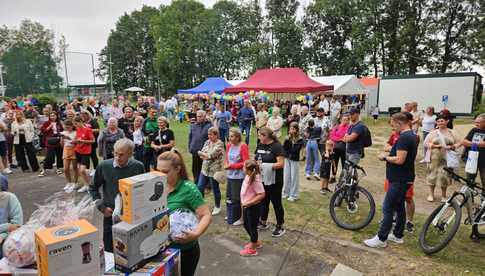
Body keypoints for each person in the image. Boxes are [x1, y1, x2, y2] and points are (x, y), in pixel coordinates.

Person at [364, 112, 417, 248]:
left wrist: (385, 157)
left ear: (399, 123)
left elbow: (400, 160)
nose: (393, 129)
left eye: (394, 127)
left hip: (400, 179)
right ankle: (398, 235)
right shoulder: (410, 136)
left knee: (388, 207)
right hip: (402, 178)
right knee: (399, 207)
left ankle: (381, 238)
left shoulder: (405, 137)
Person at [157, 151, 211, 276]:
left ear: (177, 169)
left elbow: (206, 215)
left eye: (165, 172)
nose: (160, 175)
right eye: (158, 170)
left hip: (185, 251)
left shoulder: (188, 189)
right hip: (160, 250)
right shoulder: (154, 186)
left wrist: (195, 234)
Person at [89, 138, 145, 253]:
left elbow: (143, 189)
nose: (117, 157)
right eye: (115, 153)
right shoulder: (104, 166)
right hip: (109, 214)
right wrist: (101, 206)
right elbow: (93, 187)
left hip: (132, 216)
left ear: (130, 154)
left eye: (121, 155)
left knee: (131, 248)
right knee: (109, 249)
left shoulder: (138, 166)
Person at [255, 127, 285, 237]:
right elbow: (256, 158)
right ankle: (263, 221)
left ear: (266, 136)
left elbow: (281, 164)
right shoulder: (260, 145)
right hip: (262, 178)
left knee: (276, 203)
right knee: (264, 201)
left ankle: (280, 225)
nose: (258, 137)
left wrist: (264, 166)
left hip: (275, 180)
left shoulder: (277, 146)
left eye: (260, 135)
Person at [424, 115, 461, 202]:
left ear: (447, 121)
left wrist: (452, 147)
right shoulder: (433, 133)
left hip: (447, 158)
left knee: (444, 176)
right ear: (436, 123)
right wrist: (435, 145)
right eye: (438, 121)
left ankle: (443, 196)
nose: (440, 123)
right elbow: (426, 143)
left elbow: (459, 143)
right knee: (432, 175)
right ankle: (431, 194)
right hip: (434, 157)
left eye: (442, 121)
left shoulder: (452, 132)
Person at [239, 160, 265, 257]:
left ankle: (253, 249)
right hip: (246, 206)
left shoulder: (256, 180)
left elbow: (262, 194)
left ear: (249, 170)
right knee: (246, 225)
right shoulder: (248, 176)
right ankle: (256, 242)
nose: (242, 168)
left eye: (244, 167)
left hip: (253, 207)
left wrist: (249, 202)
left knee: (252, 227)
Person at [224, 128, 249, 226]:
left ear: (238, 137)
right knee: (229, 196)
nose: (229, 138)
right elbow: (227, 158)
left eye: (232, 136)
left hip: (239, 176)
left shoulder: (243, 146)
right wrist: (226, 164)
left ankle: (241, 217)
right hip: (230, 175)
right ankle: (231, 214)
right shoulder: (229, 145)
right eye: (229, 136)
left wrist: (231, 166)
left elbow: (246, 162)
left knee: (238, 198)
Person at [197, 127, 224, 215]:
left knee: (215, 189)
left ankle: (217, 206)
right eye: (208, 134)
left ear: (216, 135)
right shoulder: (207, 142)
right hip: (204, 169)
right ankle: (201, 205)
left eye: (211, 135)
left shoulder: (220, 144)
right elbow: (202, 153)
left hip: (214, 171)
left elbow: (210, 155)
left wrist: (204, 155)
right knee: (200, 187)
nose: (209, 136)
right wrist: (204, 155)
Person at [462, 113, 485, 189]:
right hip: (472, 160)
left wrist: (471, 144)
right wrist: (476, 144)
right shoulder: (474, 130)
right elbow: (464, 141)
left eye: (478, 122)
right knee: (469, 181)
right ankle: (468, 197)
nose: (476, 124)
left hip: (483, 161)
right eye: (475, 122)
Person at [282, 122, 304, 201]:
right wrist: (287, 140)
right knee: (286, 176)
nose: (291, 130)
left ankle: (294, 195)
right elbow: (284, 148)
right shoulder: (287, 138)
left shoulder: (300, 139)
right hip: (287, 158)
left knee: (294, 177)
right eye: (291, 128)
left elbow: (295, 150)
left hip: (294, 160)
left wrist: (293, 142)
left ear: (297, 130)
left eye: (293, 129)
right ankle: (285, 192)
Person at [189, 110, 211, 185]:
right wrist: (190, 147)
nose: (198, 118)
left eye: (200, 116)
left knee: (205, 168)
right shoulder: (193, 125)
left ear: (205, 117)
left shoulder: (209, 126)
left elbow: (212, 139)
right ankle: (196, 182)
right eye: (197, 116)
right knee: (195, 168)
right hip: (195, 150)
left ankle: (206, 185)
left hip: (204, 152)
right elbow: (190, 137)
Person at [73, 117, 95, 193]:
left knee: (82, 170)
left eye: (76, 124)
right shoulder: (77, 129)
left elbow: (93, 140)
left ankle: (89, 185)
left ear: (80, 122)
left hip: (86, 152)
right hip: (78, 151)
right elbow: (77, 138)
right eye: (74, 124)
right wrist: (74, 141)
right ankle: (86, 185)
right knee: (81, 170)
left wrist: (83, 141)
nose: (75, 125)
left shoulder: (88, 130)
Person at [39, 111, 64, 176]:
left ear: (56, 116)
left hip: (58, 140)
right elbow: (43, 130)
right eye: (51, 116)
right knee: (49, 156)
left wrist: (61, 138)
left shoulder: (59, 123)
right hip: (49, 140)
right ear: (49, 117)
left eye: (54, 116)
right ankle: (44, 169)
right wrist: (49, 127)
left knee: (59, 155)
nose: (52, 117)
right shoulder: (46, 123)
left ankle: (58, 169)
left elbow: (62, 131)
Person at [0, 190, 22, 258]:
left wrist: (2, 236)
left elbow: (17, 225)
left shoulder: (10, 198)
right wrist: (8, 226)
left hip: (8, 238)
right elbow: (11, 226)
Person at [61, 119, 78, 190]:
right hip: (66, 150)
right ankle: (69, 182)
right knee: (65, 169)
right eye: (66, 127)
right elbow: (62, 145)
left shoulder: (76, 132)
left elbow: (77, 142)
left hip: (74, 150)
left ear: (72, 126)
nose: (67, 128)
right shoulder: (63, 133)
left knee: (74, 168)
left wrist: (69, 138)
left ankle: (75, 183)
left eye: (68, 127)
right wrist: (62, 139)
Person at [142, 107, 159, 172]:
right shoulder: (146, 120)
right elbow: (143, 130)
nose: (154, 114)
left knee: (156, 161)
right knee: (146, 161)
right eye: (152, 112)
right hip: (147, 144)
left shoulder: (158, 120)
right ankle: (146, 173)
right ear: (149, 112)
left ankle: (157, 174)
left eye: (155, 112)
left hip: (156, 144)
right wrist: (148, 134)